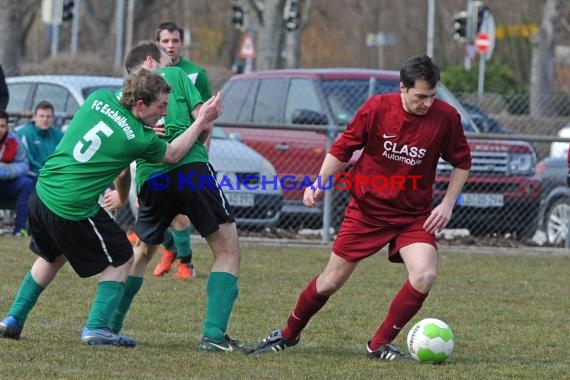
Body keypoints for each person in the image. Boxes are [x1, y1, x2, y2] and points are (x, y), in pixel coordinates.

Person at [250, 55, 472, 360]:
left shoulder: (446, 117)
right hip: (367, 210)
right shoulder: (378, 108)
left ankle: (379, 344)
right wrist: (319, 184)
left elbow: (462, 162)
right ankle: (287, 335)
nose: (427, 104)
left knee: (425, 274)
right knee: (331, 281)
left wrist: (447, 205)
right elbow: (343, 147)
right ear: (402, 89)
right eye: (420, 96)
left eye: (432, 96)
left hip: (413, 215)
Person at [0, 68, 222, 345]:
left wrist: (120, 193)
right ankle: (97, 327)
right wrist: (201, 120)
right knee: (121, 257)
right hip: (72, 206)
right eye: (161, 106)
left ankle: (12, 319)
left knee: (51, 256)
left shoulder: (98, 98)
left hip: (42, 194)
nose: (164, 114)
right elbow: (174, 153)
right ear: (140, 104)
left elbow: (118, 147)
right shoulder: (139, 140)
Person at [108, 41, 249, 353]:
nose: (170, 59)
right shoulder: (178, 76)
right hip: (190, 170)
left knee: (142, 252)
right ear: (152, 61)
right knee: (227, 251)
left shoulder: (123, 97)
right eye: (165, 55)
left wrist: (120, 192)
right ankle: (213, 335)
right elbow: (204, 125)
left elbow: (121, 152)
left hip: (151, 179)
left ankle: (108, 326)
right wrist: (201, 124)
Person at [150, 21, 215, 279]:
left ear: (182, 44)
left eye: (175, 41)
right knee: (144, 203)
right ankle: (169, 248)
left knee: (179, 210)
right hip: (152, 151)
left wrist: (203, 150)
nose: (170, 46)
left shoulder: (195, 74)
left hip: (187, 151)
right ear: (157, 44)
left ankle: (185, 262)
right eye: (165, 41)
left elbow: (205, 117)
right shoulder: (148, 74)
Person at [0, 110, 33, 236]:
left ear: (7, 126)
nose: (0, 129)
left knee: (26, 183)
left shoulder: (14, 140)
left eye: (2, 126)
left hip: (8, 182)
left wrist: (4, 170)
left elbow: (24, 166)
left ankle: (20, 230)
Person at [15, 101, 63, 178]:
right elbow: (28, 162)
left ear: (53, 118)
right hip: (33, 176)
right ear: (34, 117)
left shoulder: (60, 135)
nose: (45, 119)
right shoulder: (23, 134)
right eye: (41, 116)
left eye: (48, 116)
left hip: (55, 176)